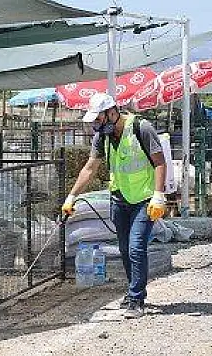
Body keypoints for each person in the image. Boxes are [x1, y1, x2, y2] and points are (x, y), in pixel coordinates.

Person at [62, 93, 167, 319]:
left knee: (136, 247)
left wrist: (158, 195)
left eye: (98, 119)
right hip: (119, 198)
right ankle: (133, 292)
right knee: (124, 249)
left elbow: (159, 162)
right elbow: (90, 168)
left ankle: (137, 299)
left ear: (112, 112)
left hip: (144, 199)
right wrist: (71, 197)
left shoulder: (141, 127)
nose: (96, 125)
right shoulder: (102, 137)